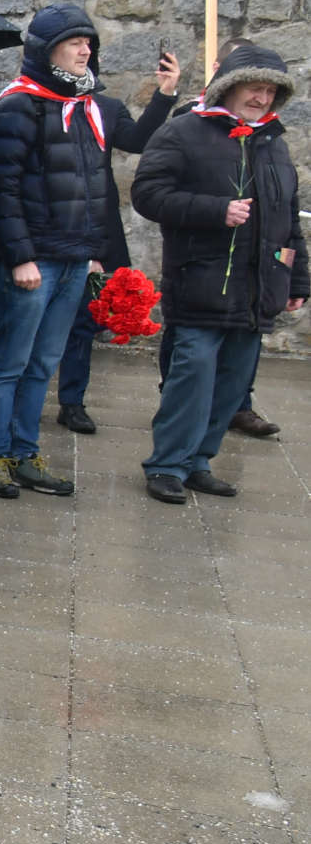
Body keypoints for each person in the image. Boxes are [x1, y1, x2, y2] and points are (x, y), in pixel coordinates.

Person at [131, 44, 306, 503]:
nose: (262, 99)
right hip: (201, 284)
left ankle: (198, 461)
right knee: (191, 380)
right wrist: (215, 210)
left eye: (270, 91)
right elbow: (147, 194)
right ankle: (167, 463)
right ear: (230, 86)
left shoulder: (274, 143)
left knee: (231, 386)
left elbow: (289, 221)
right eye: (255, 88)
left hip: (256, 291)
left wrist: (299, 282)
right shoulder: (184, 133)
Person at [0, 5, 123, 500]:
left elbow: (93, 185)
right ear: (45, 49)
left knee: (44, 363)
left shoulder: (86, 105)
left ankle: (24, 452)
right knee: (10, 362)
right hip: (33, 258)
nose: (86, 50)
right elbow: (1, 189)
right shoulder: (18, 106)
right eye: (75, 42)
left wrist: (95, 250)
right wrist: (19, 257)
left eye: (89, 42)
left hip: (73, 257)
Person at [51, 49, 180, 433]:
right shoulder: (36, 106)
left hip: (95, 228)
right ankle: (23, 393)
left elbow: (139, 139)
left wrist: (166, 94)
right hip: (50, 227)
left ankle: (72, 401)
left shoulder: (105, 108)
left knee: (82, 322)